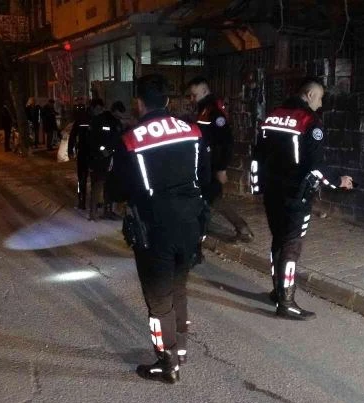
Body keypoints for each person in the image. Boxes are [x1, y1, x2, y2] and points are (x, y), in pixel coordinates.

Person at [108, 74, 210, 384]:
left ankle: (167, 364)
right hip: (191, 225)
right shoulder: (192, 131)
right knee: (179, 287)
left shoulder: (130, 139)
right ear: (167, 101)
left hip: (154, 229)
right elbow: (205, 178)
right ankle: (180, 350)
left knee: (159, 299)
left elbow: (115, 190)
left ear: (139, 103)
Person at [251, 78, 354, 320]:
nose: (320, 104)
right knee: (291, 246)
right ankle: (287, 302)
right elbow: (315, 166)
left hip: (272, 192)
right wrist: (338, 181)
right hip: (296, 195)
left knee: (278, 241)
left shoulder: (272, 116)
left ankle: (278, 292)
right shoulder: (310, 121)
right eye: (320, 98)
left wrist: (257, 187)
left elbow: (257, 157)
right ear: (309, 95)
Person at [187, 76, 254, 265]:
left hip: (212, 165)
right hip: (205, 164)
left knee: (209, 200)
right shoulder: (204, 110)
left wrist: (222, 168)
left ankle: (239, 229)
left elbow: (226, 142)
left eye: (194, 95)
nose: (191, 99)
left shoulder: (214, 112)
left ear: (204, 91)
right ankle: (240, 228)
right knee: (212, 199)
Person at [87, 99, 125, 221]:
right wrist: (101, 151)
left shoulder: (118, 123)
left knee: (110, 186)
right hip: (99, 159)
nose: (120, 116)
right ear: (114, 110)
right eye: (119, 113)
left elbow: (119, 140)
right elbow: (92, 140)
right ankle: (93, 212)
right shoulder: (100, 120)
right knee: (98, 184)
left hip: (113, 159)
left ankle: (107, 211)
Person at [67, 102, 91, 209]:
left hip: (84, 152)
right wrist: (70, 150)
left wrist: (70, 151)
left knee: (82, 178)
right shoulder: (92, 119)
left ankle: (82, 200)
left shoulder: (80, 120)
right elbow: (73, 136)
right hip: (88, 153)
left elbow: (72, 136)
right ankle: (85, 200)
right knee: (86, 178)